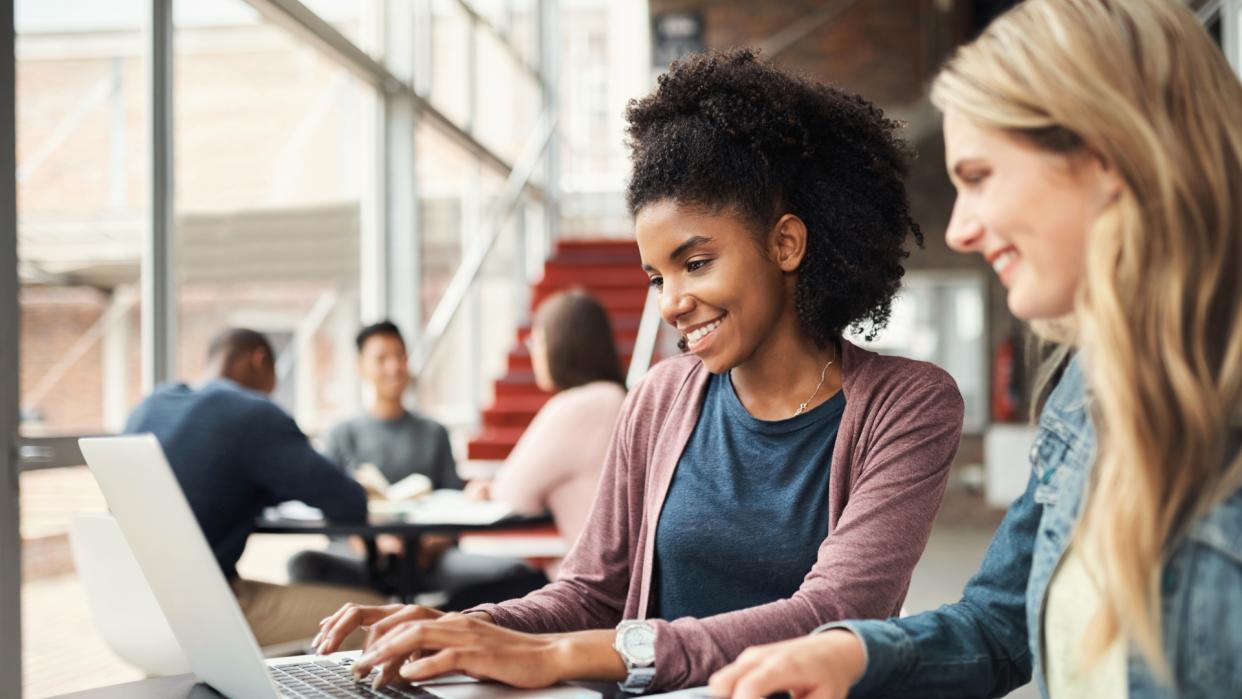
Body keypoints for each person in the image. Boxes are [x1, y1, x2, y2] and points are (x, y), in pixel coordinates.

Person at [314, 48, 966, 693]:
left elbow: (831, 615)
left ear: (785, 243)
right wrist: (461, 627)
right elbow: (590, 591)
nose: (671, 302)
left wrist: (566, 655)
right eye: (657, 276)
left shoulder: (907, 404)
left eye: (697, 262)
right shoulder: (660, 396)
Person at [707, 2, 1242, 698]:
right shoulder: (1091, 383)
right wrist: (852, 656)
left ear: (1109, 152)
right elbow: (999, 624)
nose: (959, 228)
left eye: (980, 175)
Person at [123, 328, 386, 648]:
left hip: (134, 607)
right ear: (259, 360)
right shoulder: (251, 413)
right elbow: (348, 501)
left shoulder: (150, 406)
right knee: (377, 616)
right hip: (208, 610)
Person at [287, 320, 546, 610]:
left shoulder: (433, 432)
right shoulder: (341, 434)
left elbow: (455, 506)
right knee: (303, 564)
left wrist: (429, 544)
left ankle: (441, 625)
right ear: (361, 367)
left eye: (400, 356)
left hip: (429, 560)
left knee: (516, 574)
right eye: (381, 358)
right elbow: (330, 516)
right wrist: (371, 543)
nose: (394, 367)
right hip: (361, 558)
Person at [465, 289, 628, 558]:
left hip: (597, 582)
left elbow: (512, 494)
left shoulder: (578, 405)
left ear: (561, 344)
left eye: (537, 341)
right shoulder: (616, 397)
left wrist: (488, 489)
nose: (533, 353)